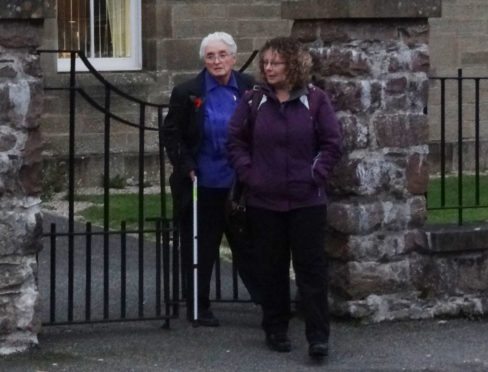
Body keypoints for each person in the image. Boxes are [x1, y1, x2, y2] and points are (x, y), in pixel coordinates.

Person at [227, 37, 342, 358]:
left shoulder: (315, 100)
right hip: (264, 201)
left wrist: (314, 175)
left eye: (275, 62)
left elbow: (332, 144)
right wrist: (252, 176)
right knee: (271, 268)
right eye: (265, 62)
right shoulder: (253, 100)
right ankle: (275, 327)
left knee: (312, 270)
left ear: (293, 64)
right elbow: (235, 141)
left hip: (307, 201)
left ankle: (318, 336)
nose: (268, 67)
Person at [162, 31, 260, 327]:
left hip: (240, 183)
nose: (216, 61)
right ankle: (198, 305)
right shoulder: (187, 91)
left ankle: (269, 302)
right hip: (202, 182)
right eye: (210, 56)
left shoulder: (249, 87)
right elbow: (172, 134)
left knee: (250, 246)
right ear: (203, 60)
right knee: (200, 248)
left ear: (234, 57)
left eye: (222, 55)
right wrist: (186, 165)